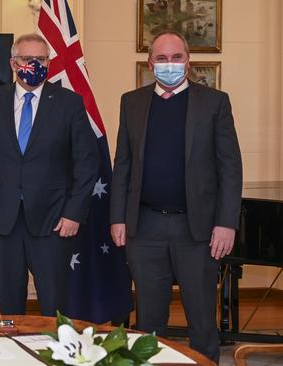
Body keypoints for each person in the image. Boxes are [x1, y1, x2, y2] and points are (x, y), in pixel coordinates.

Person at [109, 31, 242, 364]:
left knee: (201, 323)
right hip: (145, 228)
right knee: (149, 323)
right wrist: (117, 216)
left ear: (188, 61)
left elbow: (230, 169)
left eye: (176, 57)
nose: (169, 64)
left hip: (197, 231)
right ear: (150, 62)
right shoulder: (132, 102)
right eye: (162, 58)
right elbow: (122, 164)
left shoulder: (215, 102)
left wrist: (226, 223)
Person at [0, 34, 99, 317]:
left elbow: (86, 164)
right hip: (1, 222)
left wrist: (74, 213)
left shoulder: (69, 103)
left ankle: (54, 359)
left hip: (53, 221)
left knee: (54, 306)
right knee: (10, 306)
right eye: (28, 59)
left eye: (41, 59)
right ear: (14, 63)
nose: (35, 65)